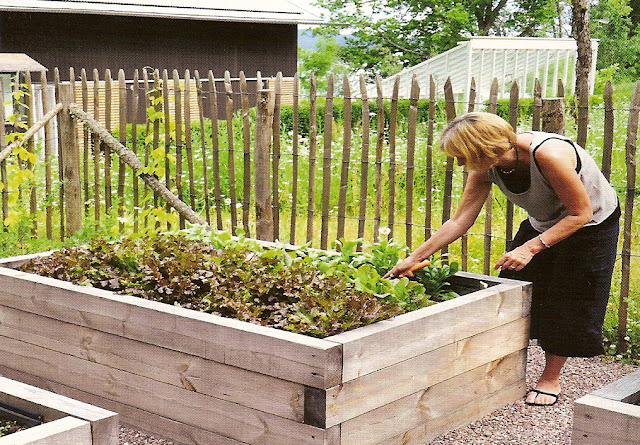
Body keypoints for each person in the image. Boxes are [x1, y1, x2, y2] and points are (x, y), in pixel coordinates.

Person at [384, 112, 620, 407]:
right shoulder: (486, 167)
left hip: (592, 225)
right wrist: (414, 257)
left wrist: (529, 249)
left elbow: (580, 214)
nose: (459, 164)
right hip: (545, 222)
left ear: (485, 149)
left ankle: (550, 378)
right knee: (513, 286)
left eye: (462, 156)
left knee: (570, 300)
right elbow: (459, 220)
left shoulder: (548, 156)